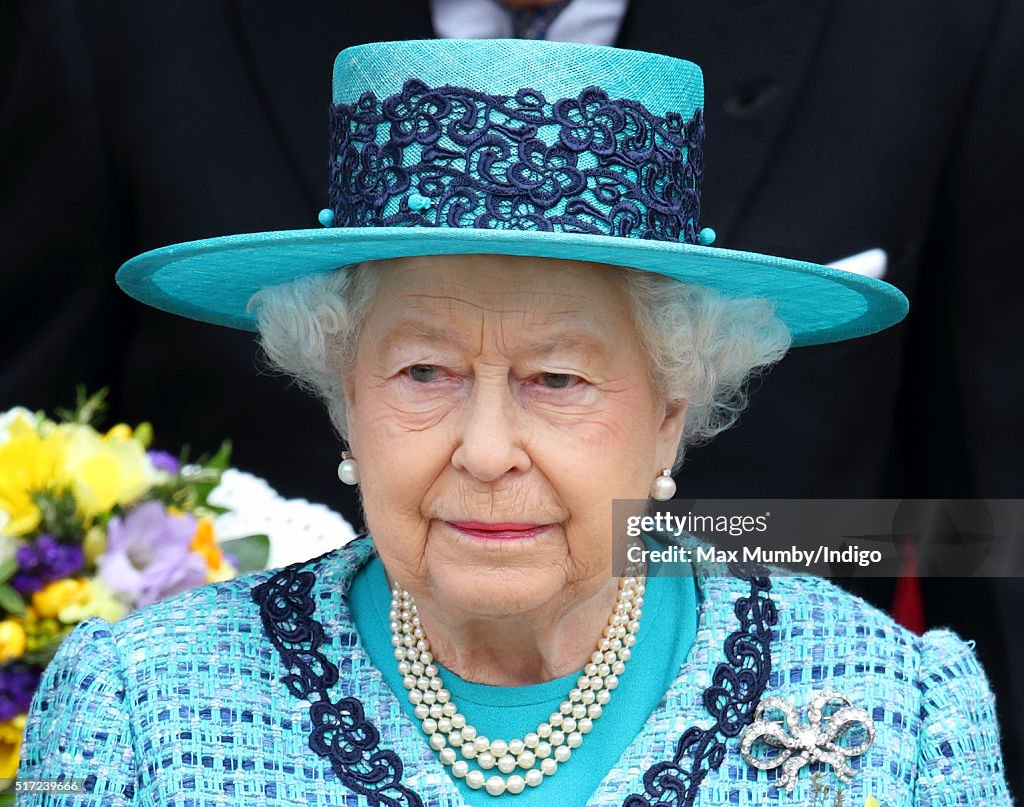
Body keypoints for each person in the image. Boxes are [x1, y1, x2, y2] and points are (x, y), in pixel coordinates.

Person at [15, 39, 1010, 804]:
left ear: (669, 412)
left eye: (558, 380)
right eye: (422, 371)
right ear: (344, 395)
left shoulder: (894, 708)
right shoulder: (145, 708)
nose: (486, 451)